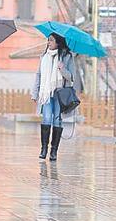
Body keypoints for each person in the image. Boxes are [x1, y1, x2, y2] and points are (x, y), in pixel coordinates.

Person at [32, 33, 80, 161]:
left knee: (57, 120)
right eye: (48, 40)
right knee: (46, 118)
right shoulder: (44, 56)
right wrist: (35, 93)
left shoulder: (67, 57)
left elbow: (71, 78)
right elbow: (39, 75)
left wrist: (62, 69)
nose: (48, 43)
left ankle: (54, 151)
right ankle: (44, 149)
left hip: (60, 94)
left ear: (58, 42)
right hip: (46, 94)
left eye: (51, 40)